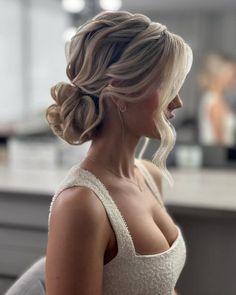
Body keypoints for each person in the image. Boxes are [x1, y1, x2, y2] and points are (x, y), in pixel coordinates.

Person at [45, 10, 192, 295]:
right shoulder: (81, 206)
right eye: (167, 86)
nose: (178, 102)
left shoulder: (148, 176)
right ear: (121, 90)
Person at [198, 53, 236, 146]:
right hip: (221, 157)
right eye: (233, 75)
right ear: (221, 75)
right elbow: (219, 142)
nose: (234, 79)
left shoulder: (215, 99)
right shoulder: (214, 102)